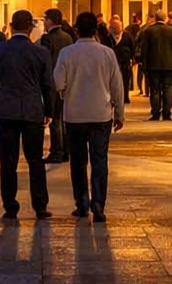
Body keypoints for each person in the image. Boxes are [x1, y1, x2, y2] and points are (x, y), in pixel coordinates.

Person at [53, 12, 124, 223]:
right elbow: (117, 86)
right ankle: (99, 204)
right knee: (99, 160)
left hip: (74, 115)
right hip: (100, 114)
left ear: (76, 29)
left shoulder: (67, 53)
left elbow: (58, 82)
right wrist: (119, 112)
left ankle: (82, 203)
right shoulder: (107, 53)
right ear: (95, 30)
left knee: (78, 161)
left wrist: (66, 92)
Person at [0, 10, 54, 220]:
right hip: (32, 111)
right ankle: (40, 205)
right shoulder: (41, 52)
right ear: (30, 28)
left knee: (8, 162)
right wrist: (48, 111)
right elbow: (47, 85)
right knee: (35, 160)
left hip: (6, 111)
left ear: (11, 26)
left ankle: (10, 206)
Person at [41, 9, 75, 162]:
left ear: (50, 21)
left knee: (54, 118)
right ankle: (67, 150)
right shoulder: (68, 37)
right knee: (64, 117)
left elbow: (46, 61)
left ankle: (56, 151)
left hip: (53, 81)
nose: (44, 23)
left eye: (45, 20)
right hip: (67, 80)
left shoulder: (47, 39)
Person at [136, 11, 172, 121]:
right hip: (168, 65)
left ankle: (155, 113)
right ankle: (167, 113)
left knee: (154, 89)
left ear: (155, 18)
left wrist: (143, 62)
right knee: (168, 89)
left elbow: (144, 48)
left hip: (153, 65)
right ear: (165, 18)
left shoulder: (148, 31)